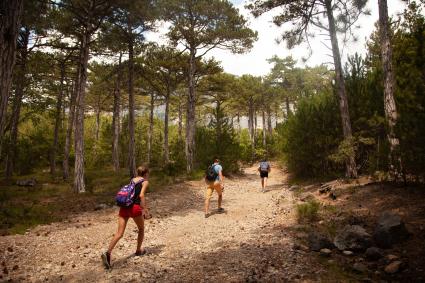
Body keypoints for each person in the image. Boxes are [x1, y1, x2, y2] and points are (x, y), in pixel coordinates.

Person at [101, 166, 151, 269]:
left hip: (124, 207)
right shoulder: (145, 182)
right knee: (141, 229)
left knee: (119, 233)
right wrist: (145, 210)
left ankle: (108, 253)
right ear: (146, 173)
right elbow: (141, 195)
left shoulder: (132, 180)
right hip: (135, 208)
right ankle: (138, 251)